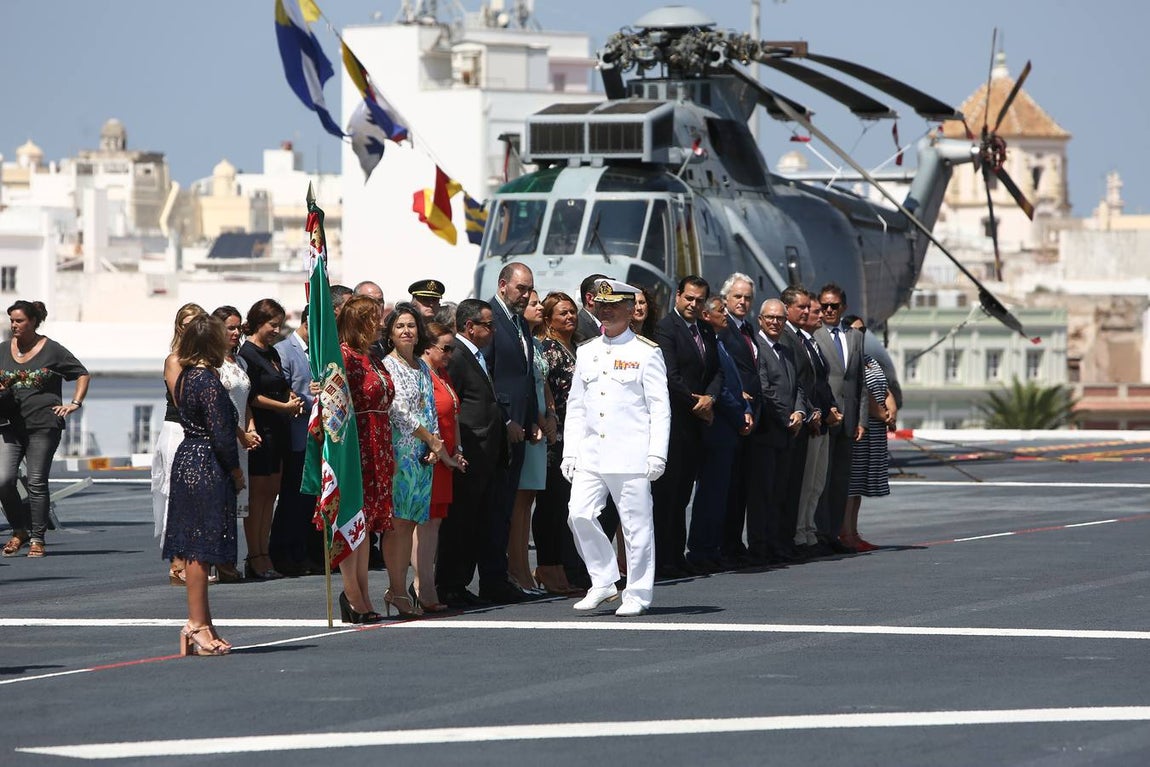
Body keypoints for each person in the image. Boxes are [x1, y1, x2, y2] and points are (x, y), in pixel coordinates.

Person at [562, 279, 670, 617]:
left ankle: (637, 593)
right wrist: (570, 452)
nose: (605, 311)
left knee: (636, 528)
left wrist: (657, 453)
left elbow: (659, 407)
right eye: (601, 305)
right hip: (592, 452)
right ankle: (604, 580)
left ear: (629, 310)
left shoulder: (646, 352)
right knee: (578, 513)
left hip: (630, 453)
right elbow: (576, 405)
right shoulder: (587, 350)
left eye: (613, 305)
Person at [162, 314, 244, 656]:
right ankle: (197, 624)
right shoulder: (205, 381)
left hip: (191, 457)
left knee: (200, 546)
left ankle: (204, 623)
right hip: (206, 461)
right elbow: (221, 433)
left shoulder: (189, 377)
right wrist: (235, 470)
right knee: (200, 547)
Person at [382, 303, 457, 617]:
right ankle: (397, 590)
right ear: (390, 333)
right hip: (402, 454)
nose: (406, 331)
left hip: (423, 458)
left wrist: (435, 447)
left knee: (412, 521)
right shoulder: (389, 365)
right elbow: (398, 413)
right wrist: (430, 439)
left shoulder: (423, 367)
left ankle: (399, 591)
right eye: (399, 326)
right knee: (398, 525)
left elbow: (429, 409)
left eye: (411, 325)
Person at [0, 300, 90, 559]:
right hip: (8, 425)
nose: (14, 325)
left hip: (43, 425)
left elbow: (82, 374)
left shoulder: (52, 350)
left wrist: (74, 403)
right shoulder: (3, 350)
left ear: (32, 322)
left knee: (36, 482)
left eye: (19, 321)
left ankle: (38, 537)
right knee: (4, 481)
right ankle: (20, 530)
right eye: (12, 320)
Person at [435, 299, 508, 608]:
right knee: (459, 526)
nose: (493, 331)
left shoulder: (476, 355)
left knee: (476, 523)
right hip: (468, 455)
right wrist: (460, 446)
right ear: (470, 327)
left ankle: (463, 582)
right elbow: (454, 404)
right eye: (488, 325)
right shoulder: (458, 357)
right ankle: (450, 584)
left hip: (485, 454)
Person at [652, 275, 722, 579]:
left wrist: (712, 397)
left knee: (683, 495)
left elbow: (717, 369)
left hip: (697, 422)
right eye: (688, 298)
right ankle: (662, 557)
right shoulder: (666, 329)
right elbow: (670, 375)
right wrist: (697, 404)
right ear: (678, 296)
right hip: (676, 420)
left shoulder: (706, 329)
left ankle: (677, 554)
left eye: (699, 300)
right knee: (667, 493)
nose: (693, 304)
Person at [337, 296, 396, 622]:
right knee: (353, 520)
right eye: (373, 319)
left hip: (380, 442)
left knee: (368, 522)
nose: (380, 324)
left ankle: (362, 593)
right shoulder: (344, 356)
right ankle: (353, 593)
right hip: (357, 443)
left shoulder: (372, 356)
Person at [483, 261, 537, 604]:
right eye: (521, 288)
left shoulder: (520, 323)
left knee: (506, 507)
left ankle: (500, 577)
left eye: (529, 288)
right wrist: (506, 420)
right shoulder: (491, 320)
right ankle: (491, 578)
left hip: (520, 428)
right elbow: (485, 376)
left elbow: (525, 377)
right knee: (494, 507)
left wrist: (530, 418)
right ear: (503, 285)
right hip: (497, 429)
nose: (527, 295)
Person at [686, 296, 752, 572]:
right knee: (710, 493)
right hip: (719, 429)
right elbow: (721, 390)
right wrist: (739, 415)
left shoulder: (720, 343)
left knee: (721, 494)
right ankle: (701, 550)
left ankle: (712, 548)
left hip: (730, 429)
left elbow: (736, 387)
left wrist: (746, 407)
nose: (725, 315)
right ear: (706, 315)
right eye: (720, 311)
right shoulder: (711, 346)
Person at [238, 299, 303, 580]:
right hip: (261, 430)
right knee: (257, 496)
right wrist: (283, 407)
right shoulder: (248, 354)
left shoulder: (272, 354)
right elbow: (252, 395)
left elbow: (281, 384)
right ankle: (255, 555)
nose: (276, 330)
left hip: (279, 431)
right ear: (257, 323)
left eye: (279, 324)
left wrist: (293, 398)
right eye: (271, 324)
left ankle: (264, 552)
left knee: (271, 494)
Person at [531, 292, 584, 596]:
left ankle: (563, 566)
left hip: (577, 436)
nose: (570, 317)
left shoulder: (575, 347)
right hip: (556, 435)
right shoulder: (549, 349)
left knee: (566, 505)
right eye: (562, 313)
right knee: (551, 504)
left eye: (572, 312)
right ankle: (547, 566)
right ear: (549, 319)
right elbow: (546, 388)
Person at [747, 299, 806, 564]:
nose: (775, 322)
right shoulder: (758, 349)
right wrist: (786, 417)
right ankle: (760, 546)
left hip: (786, 433)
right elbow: (765, 389)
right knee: (762, 494)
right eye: (770, 318)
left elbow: (798, 387)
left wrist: (800, 412)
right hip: (767, 432)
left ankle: (774, 542)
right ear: (760, 319)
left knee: (779, 493)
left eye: (780, 319)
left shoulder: (785, 350)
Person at [150, 303, 205, 582]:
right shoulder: (176, 359)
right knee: (176, 494)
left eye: (196, 322)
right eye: (185, 323)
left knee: (199, 497)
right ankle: (177, 560)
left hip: (202, 430)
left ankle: (196, 559)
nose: (190, 328)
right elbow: (182, 399)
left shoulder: (208, 358)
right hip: (178, 429)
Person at [813, 283, 867, 553]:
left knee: (840, 480)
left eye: (834, 306)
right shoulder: (815, 336)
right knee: (820, 479)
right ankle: (819, 533)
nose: (830, 310)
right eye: (825, 306)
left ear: (843, 307)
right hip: (826, 417)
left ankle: (835, 534)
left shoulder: (855, 337)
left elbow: (860, 382)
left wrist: (862, 420)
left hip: (849, 421)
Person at [417, 321, 465, 612]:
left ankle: (427, 584)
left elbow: (454, 415)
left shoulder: (442, 373)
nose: (450, 354)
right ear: (429, 347)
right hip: (429, 456)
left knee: (435, 523)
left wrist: (457, 449)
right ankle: (422, 586)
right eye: (445, 348)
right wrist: (438, 450)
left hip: (446, 456)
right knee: (423, 524)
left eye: (452, 348)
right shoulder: (422, 374)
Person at [210, 305, 261, 583]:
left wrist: (250, 426)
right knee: (219, 502)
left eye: (238, 327)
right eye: (230, 327)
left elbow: (245, 401)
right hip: (224, 437)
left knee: (234, 504)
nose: (235, 332)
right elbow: (220, 408)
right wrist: (240, 433)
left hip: (243, 437)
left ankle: (228, 561)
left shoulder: (238, 362)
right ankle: (216, 562)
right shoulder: (212, 363)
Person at [509, 289, 554, 595]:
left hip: (539, 423)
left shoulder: (535, 344)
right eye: (533, 304)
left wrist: (549, 414)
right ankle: (518, 570)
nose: (537, 307)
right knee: (519, 503)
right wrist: (535, 421)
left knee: (528, 502)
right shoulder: (520, 342)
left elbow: (543, 384)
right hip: (528, 426)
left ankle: (524, 569)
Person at [843, 316, 895, 552]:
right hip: (862, 429)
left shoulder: (869, 359)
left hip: (875, 429)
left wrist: (891, 410)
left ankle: (854, 531)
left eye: (863, 330)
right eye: (855, 330)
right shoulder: (850, 360)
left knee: (860, 487)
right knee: (851, 486)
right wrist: (883, 415)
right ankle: (845, 533)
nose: (860, 334)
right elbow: (862, 392)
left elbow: (884, 388)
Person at [717, 273, 759, 565]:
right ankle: (724, 544)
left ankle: (734, 541)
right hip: (730, 415)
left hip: (751, 417)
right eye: (737, 297)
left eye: (747, 298)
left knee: (742, 486)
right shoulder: (723, 328)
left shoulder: (749, 329)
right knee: (726, 487)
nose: (742, 302)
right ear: (726, 299)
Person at [575, 272, 608, 342]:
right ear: (590, 299)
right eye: (606, 296)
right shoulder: (578, 328)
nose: (612, 301)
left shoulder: (607, 325)